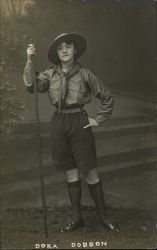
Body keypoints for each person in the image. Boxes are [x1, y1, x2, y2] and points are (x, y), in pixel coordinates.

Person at [23, 33, 119, 233]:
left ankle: (104, 217)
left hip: (79, 122)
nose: (64, 50)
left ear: (75, 50)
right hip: (59, 122)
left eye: (68, 46)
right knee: (70, 171)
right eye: (60, 48)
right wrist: (29, 60)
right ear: (56, 53)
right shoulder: (50, 74)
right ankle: (77, 218)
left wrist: (97, 119)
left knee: (89, 171)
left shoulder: (85, 74)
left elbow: (107, 96)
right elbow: (32, 85)